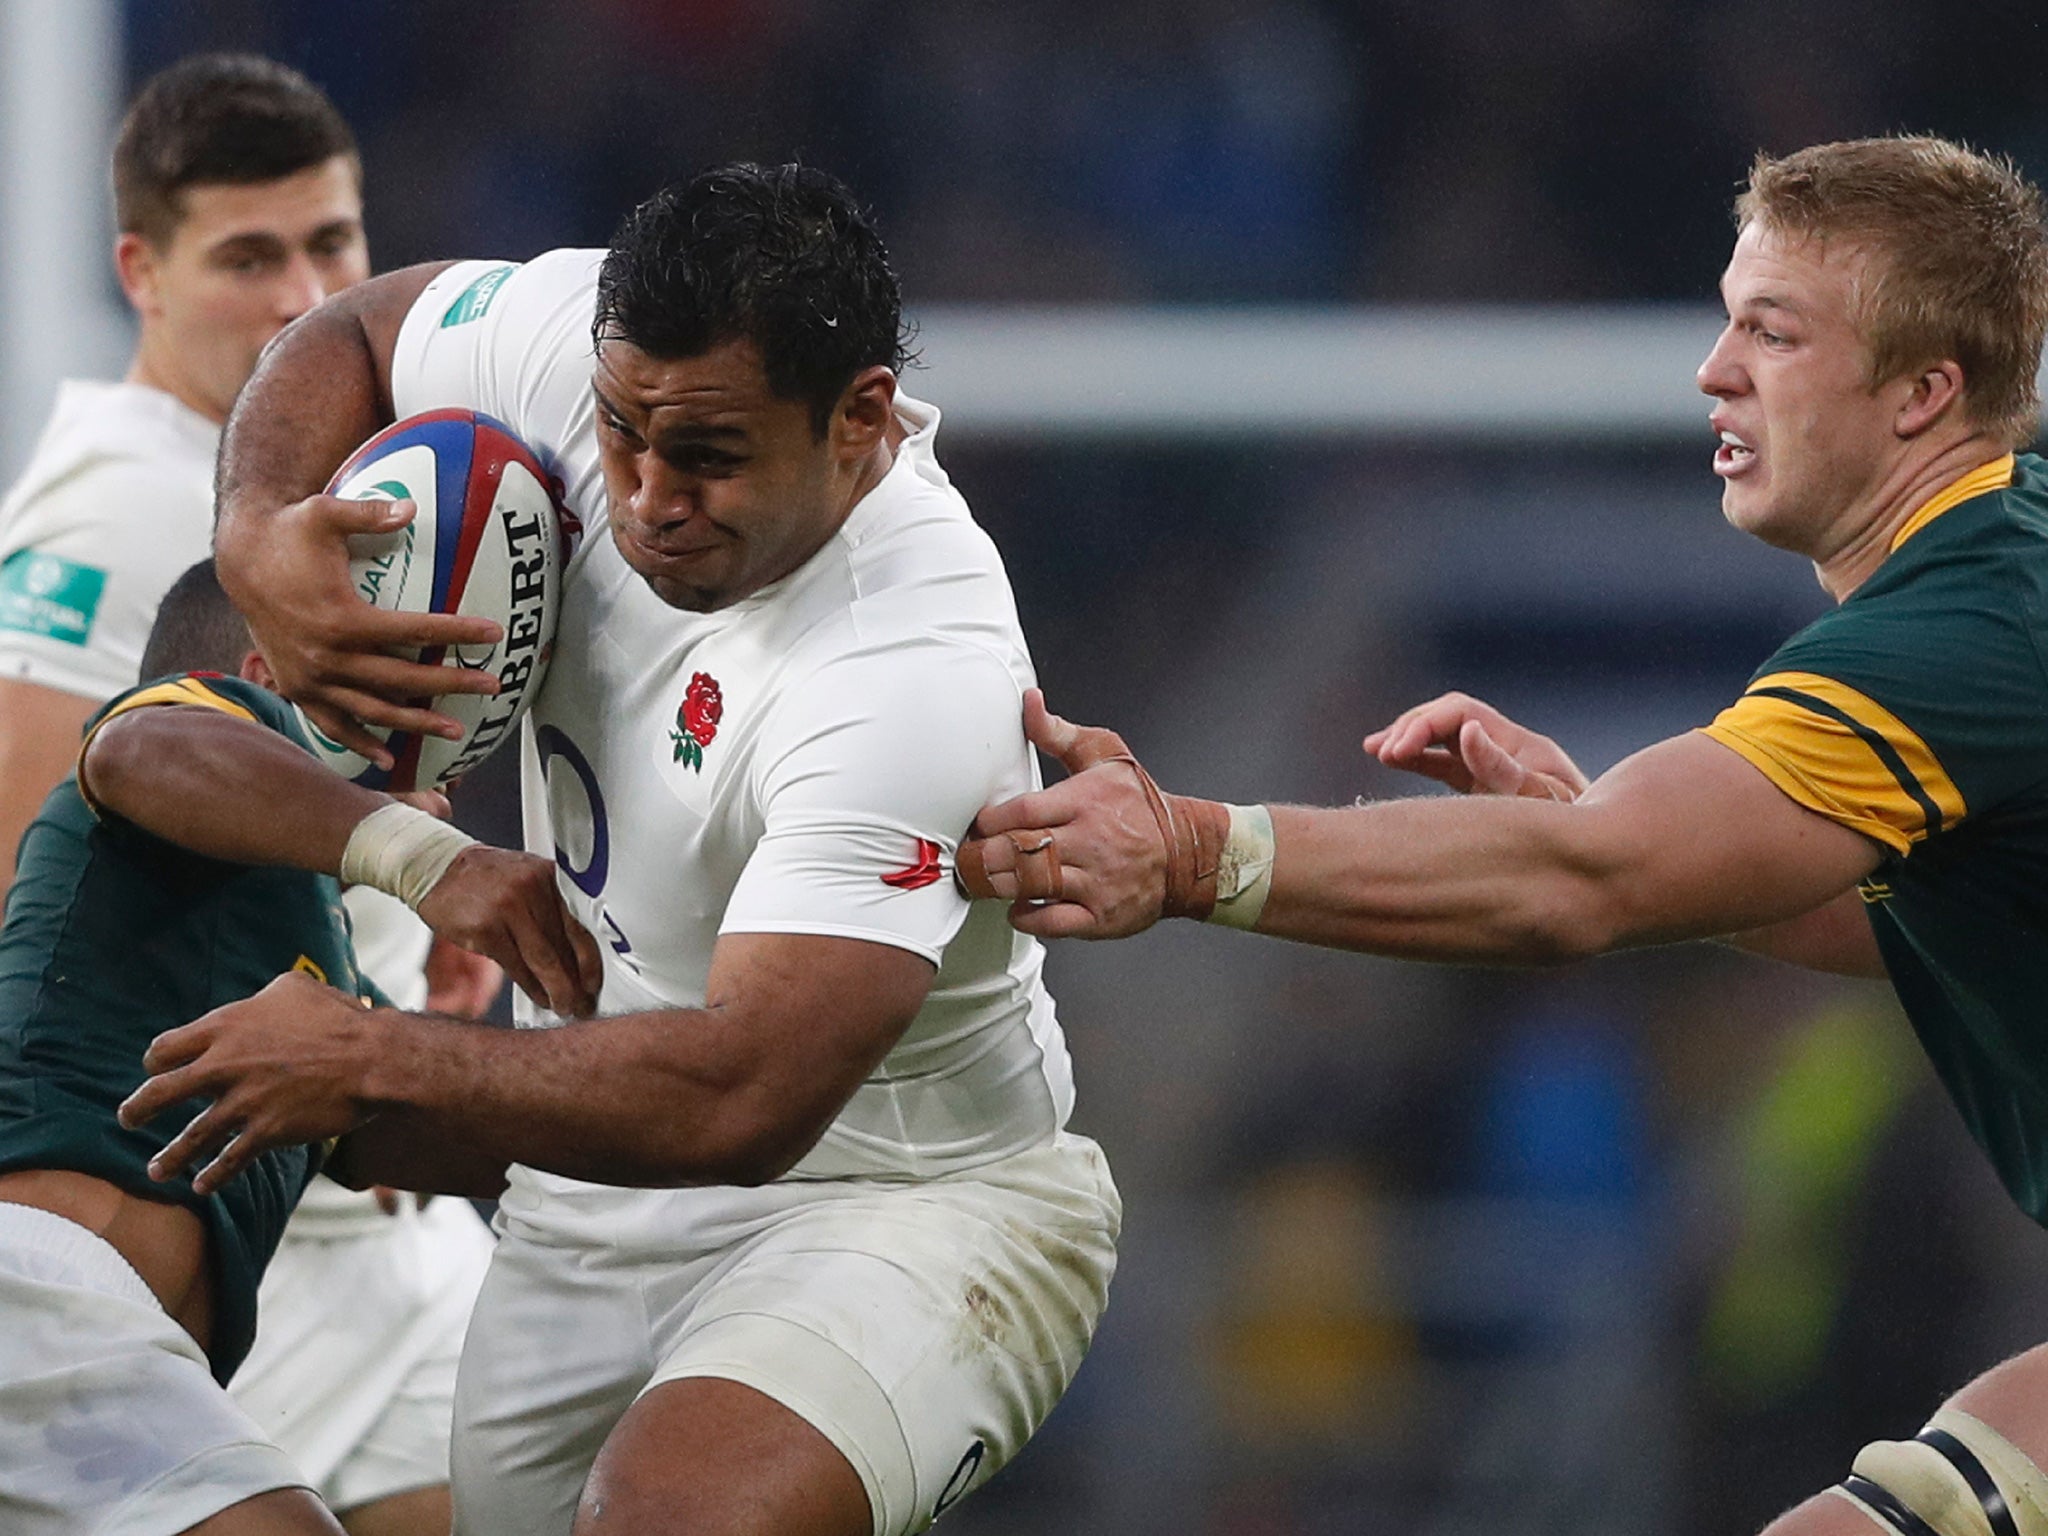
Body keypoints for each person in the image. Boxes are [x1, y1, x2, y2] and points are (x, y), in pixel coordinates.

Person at [953, 134, 2048, 1536]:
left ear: (1923, 393)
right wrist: (1606, 837)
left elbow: (1589, 882)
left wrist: (1187, 851)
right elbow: (1894, 917)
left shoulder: (1967, 625)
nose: (1715, 370)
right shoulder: (2000, 584)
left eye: (1773, 334)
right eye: (1725, 319)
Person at [128, 164, 1122, 1536]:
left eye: (709, 456)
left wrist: (372, 1058)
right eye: (622, 434)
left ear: (860, 420)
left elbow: (746, 1100)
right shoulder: (577, 344)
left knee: (671, 1517)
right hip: (592, 1194)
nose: (647, 495)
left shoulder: (909, 668)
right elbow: (355, 335)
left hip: (900, 1193)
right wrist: (258, 535)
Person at [0, 54, 506, 1536]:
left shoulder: (286, 489)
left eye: (329, 246)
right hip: (224, 1215)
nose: (300, 298)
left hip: (336, 1200)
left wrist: (409, 928)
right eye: (247, 257)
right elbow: (38, 850)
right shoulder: (125, 500)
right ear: (140, 273)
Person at [0, 560, 596, 1536]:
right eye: (392, 701)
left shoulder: (305, 983)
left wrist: (728, 1120)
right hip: (39, 1298)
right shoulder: (183, 736)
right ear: (272, 680)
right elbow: (136, 746)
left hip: (105, 1349)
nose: (428, 752)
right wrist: (421, 859)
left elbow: (465, 1133)